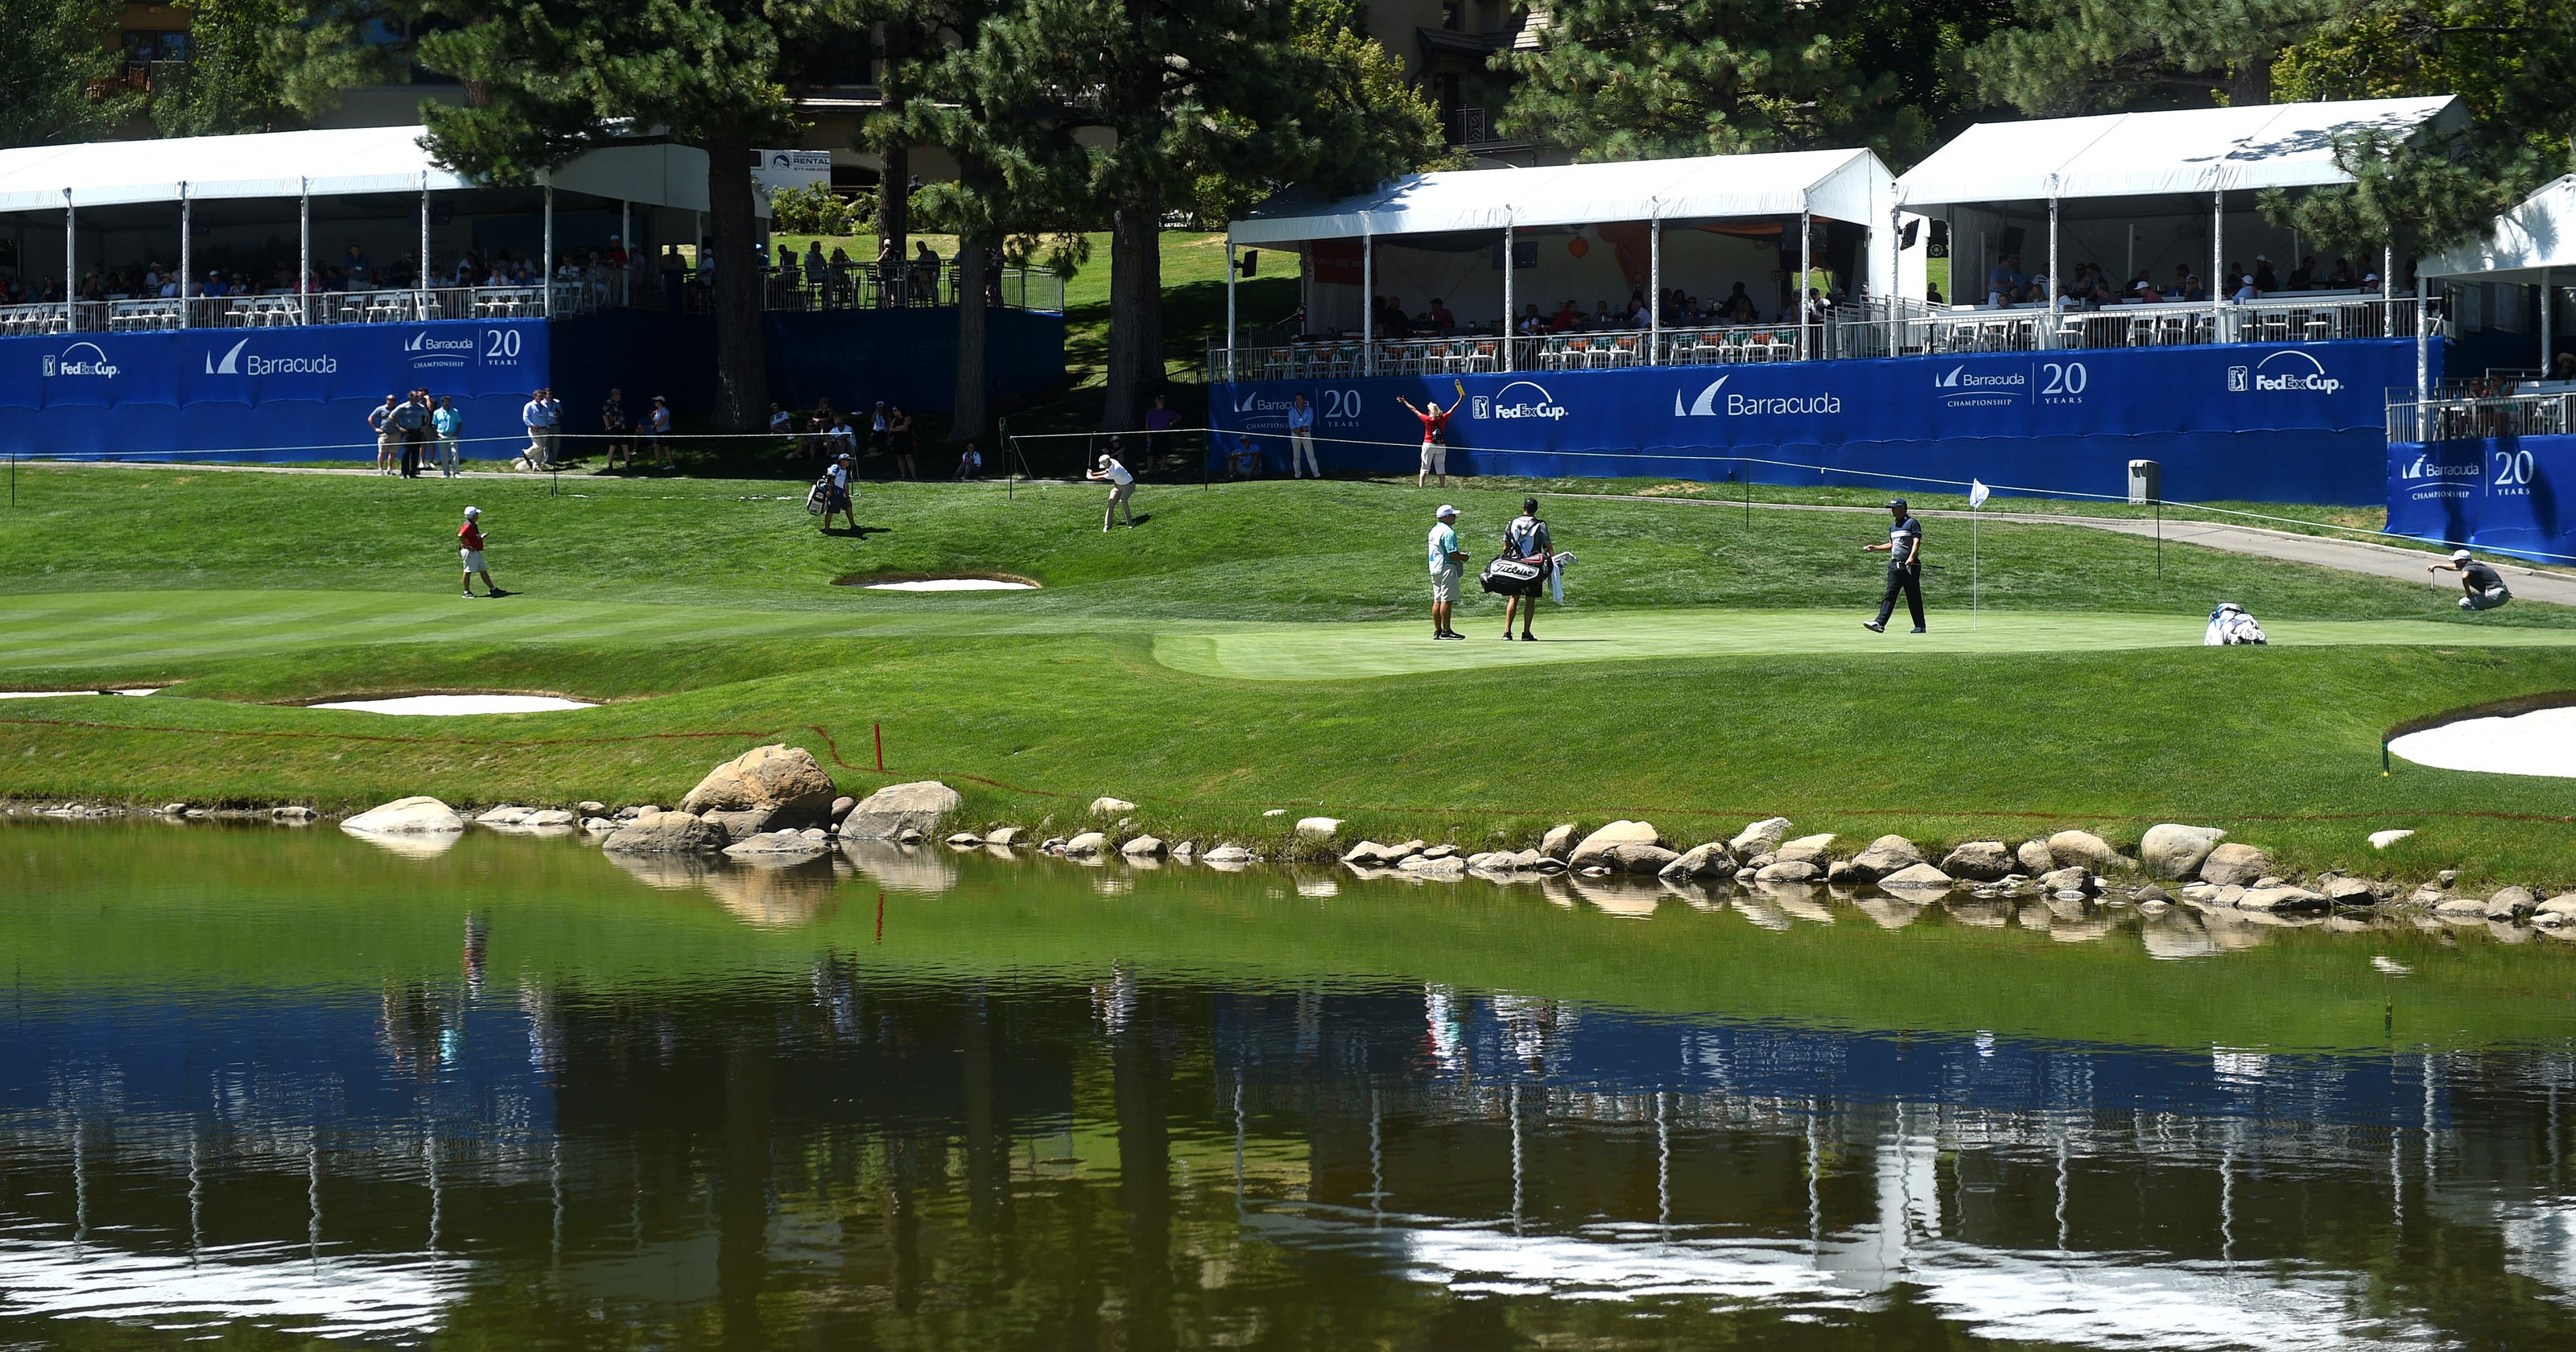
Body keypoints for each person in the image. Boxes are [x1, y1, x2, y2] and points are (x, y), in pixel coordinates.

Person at [1861, 497, 1925, 633]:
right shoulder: (1893, 526)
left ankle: (1920, 626)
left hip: (1909, 566)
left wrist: (1912, 557)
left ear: (1902, 508)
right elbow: (1891, 545)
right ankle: (1880, 623)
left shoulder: (1912, 523)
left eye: (1894, 508)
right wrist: (1876, 548)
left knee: (1913, 596)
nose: (1892, 510)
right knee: (1890, 594)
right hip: (1894, 566)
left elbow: (1916, 541)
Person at [1500, 497, 1552, 641]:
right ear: (1536, 509)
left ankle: (1507, 631)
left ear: (1524, 508)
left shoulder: (1512, 523)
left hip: (1514, 565)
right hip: (1533, 566)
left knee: (1513, 598)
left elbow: (1506, 547)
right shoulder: (1540, 524)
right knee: (1530, 599)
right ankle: (1526, 632)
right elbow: (1548, 546)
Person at [1395, 390, 1453, 488]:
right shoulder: (1443, 418)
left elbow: (1414, 409)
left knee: (1425, 466)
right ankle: (1442, 486)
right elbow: (1453, 408)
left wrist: (1404, 402)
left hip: (1428, 444)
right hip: (1441, 445)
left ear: (1430, 411)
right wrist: (1461, 398)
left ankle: (1421, 486)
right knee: (1441, 467)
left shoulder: (1427, 419)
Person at [1427, 504, 1468, 640]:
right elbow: (1452, 554)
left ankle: (1438, 631)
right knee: (1446, 600)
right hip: (1447, 567)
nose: (1455, 517)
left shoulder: (1434, 530)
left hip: (1435, 567)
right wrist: (1464, 557)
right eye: (1453, 515)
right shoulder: (1448, 532)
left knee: (1437, 599)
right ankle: (1446, 631)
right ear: (1446, 517)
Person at [2430, 548, 2512, 610]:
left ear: (2463, 561)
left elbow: (2464, 576)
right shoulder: (2474, 566)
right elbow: (2454, 568)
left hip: (2495, 594)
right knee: (2474, 603)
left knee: (2464, 603)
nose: (2454, 563)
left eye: (2456, 561)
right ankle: (2480, 618)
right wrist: (2438, 565)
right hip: (2502, 594)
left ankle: (2479, 621)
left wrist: (2468, 592)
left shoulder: (2469, 567)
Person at [458, 506, 507, 598]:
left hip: (476, 551)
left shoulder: (472, 525)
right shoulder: (468, 525)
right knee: (468, 571)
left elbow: (472, 537)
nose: (478, 516)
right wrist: (468, 546)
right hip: (470, 552)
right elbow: (461, 535)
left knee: (483, 570)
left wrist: (481, 537)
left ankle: (493, 589)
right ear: (472, 516)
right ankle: (466, 592)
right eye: (476, 514)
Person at [1089, 449, 1136, 530]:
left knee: (1123, 500)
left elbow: (1102, 478)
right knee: (1110, 503)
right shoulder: (1111, 461)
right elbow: (1105, 471)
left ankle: (1130, 523)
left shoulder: (1116, 470)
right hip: (1118, 486)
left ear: (1108, 462)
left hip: (1129, 485)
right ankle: (1107, 525)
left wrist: (1091, 477)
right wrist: (1093, 473)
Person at [393, 388, 431, 478]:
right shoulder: (403, 407)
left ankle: (413, 473)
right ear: (410, 397)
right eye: (416, 396)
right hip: (407, 432)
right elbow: (392, 416)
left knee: (415, 453)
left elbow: (428, 416)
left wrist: (425, 426)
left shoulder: (421, 407)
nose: (418, 397)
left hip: (417, 431)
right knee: (406, 453)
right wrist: (399, 427)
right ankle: (404, 473)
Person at [521, 387, 559, 470]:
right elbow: (525, 418)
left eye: (542, 396)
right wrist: (532, 425)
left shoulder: (544, 407)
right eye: (539, 396)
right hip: (534, 429)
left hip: (544, 429)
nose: (541, 398)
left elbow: (548, 416)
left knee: (540, 449)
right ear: (535, 396)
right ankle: (526, 453)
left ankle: (536, 466)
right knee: (539, 446)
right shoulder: (529, 406)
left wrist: (555, 416)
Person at [821, 452, 857, 532]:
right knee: (831, 510)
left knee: (848, 506)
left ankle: (853, 525)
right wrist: (829, 491)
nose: (849, 462)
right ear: (842, 461)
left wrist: (848, 497)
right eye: (847, 460)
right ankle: (827, 529)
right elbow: (829, 478)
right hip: (833, 492)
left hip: (841, 494)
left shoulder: (844, 471)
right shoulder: (835, 467)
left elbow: (845, 485)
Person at [1286, 392, 1319, 478]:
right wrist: (1299, 432)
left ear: (1304, 400)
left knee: (1311, 455)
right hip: (1295, 434)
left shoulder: (1309, 410)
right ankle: (1297, 475)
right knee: (1296, 456)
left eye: (1300, 399)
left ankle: (1316, 474)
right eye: (1297, 399)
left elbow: (1307, 424)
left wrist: (1300, 430)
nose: (1298, 401)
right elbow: (1291, 424)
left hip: (1306, 434)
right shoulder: (1292, 411)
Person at [368, 394, 401, 475]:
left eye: (394, 400)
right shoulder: (380, 409)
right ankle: (380, 469)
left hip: (395, 433)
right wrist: (376, 428)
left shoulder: (397, 410)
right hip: (384, 433)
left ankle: (390, 469)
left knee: (393, 452)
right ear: (387, 400)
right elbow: (370, 418)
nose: (392, 402)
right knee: (382, 452)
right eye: (390, 400)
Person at [431, 394, 463, 477]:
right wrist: (436, 435)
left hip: (452, 435)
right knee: (444, 455)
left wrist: (456, 433)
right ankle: (446, 473)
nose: (447, 404)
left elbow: (459, 423)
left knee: (454, 453)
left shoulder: (455, 411)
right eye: (445, 402)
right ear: (442, 402)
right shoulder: (437, 412)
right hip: (441, 435)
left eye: (448, 402)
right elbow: (434, 424)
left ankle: (456, 473)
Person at [1143, 393, 1178, 466]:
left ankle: (1162, 469)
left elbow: (1178, 417)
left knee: (1164, 453)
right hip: (1153, 434)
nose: (1161, 402)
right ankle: (1150, 470)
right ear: (1156, 401)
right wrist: (1148, 436)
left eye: (1162, 401)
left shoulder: (1168, 412)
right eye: (1159, 401)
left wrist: (1171, 423)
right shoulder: (1151, 412)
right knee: (1151, 454)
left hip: (1164, 434)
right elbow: (1147, 424)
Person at [601, 388, 631, 468]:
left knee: (625, 445)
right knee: (613, 445)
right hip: (614, 428)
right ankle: (610, 465)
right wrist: (609, 426)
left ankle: (628, 463)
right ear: (614, 395)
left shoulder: (618, 404)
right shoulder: (609, 403)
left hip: (622, 427)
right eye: (619, 394)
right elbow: (605, 415)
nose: (620, 396)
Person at [887, 404, 917, 478]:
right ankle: (903, 475)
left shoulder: (907, 418)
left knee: (908, 456)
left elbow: (905, 427)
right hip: (897, 440)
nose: (893, 412)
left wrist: (897, 429)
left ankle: (913, 475)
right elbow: (891, 429)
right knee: (899, 457)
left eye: (895, 410)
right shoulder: (894, 420)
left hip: (906, 439)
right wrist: (899, 429)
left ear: (900, 411)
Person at [643, 394, 673, 468]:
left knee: (666, 448)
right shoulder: (657, 411)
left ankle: (672, 464)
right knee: (656, 447)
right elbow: (654, 421)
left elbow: (662, 422)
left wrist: (654, 426)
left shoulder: (665, 411)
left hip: (665, 432)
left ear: (661, 402)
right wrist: (651, 416)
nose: (655, 403)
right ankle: (658, 464)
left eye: (656, 401)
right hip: (658, 432)